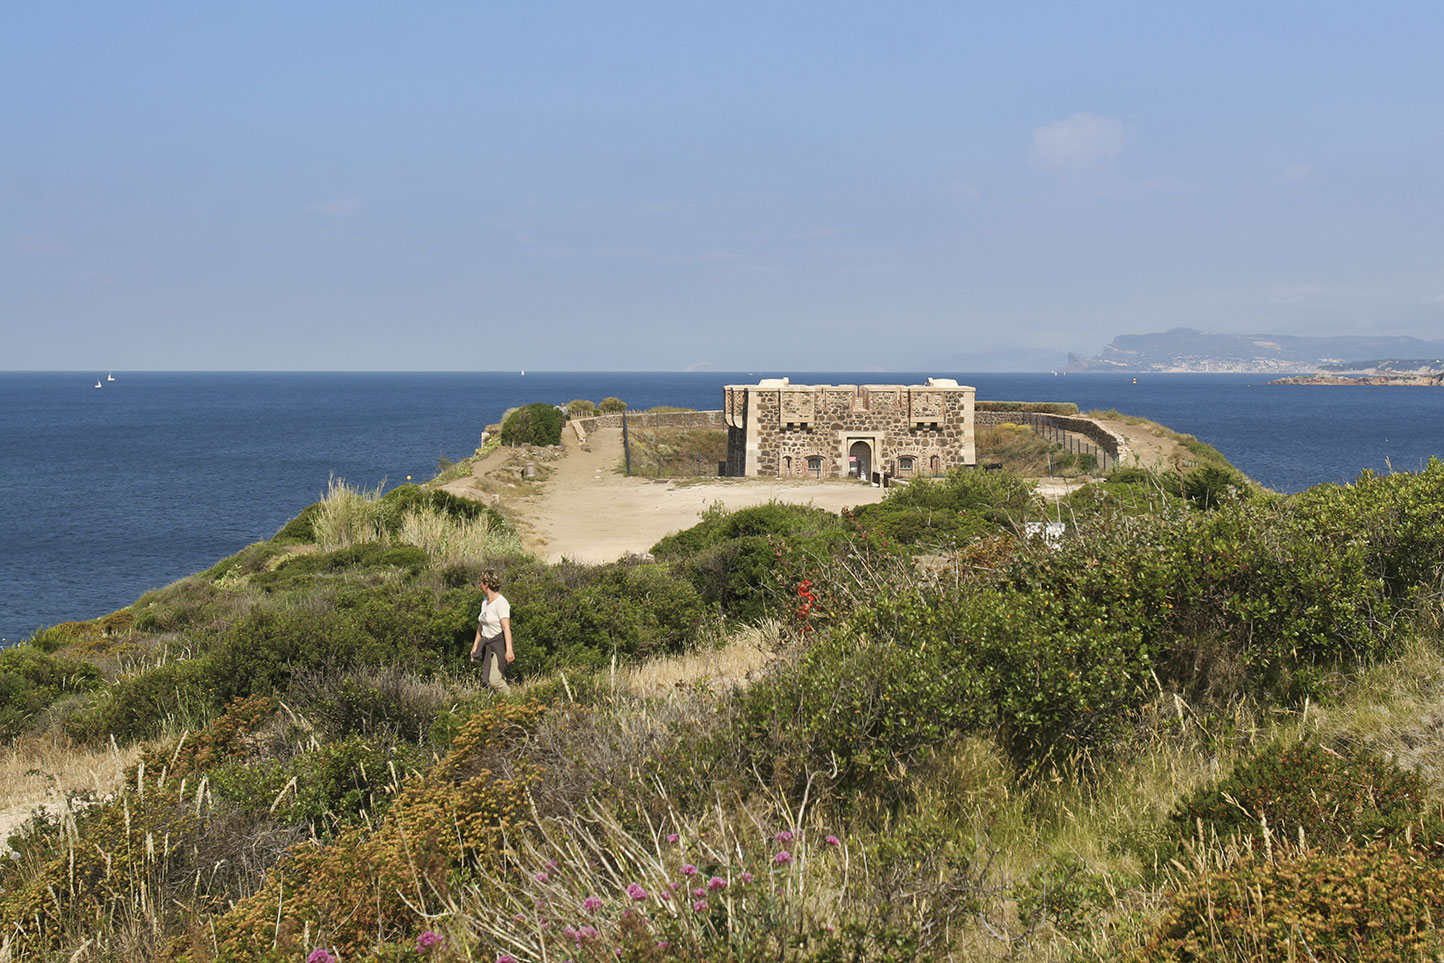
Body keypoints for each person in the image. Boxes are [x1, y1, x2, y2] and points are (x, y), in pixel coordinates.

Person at [470, 569, 513, 694]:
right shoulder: (485, 602)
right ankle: (497, 704)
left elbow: (506, 628)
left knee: (495, 680)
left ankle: (512, 701)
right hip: (486, 643)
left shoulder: (501, 603)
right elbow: (481, 626)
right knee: (486, 681)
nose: (480, 585)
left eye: (481, 582)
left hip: (499, 644)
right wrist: (475, 647)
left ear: (486, 584)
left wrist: (509, 650)